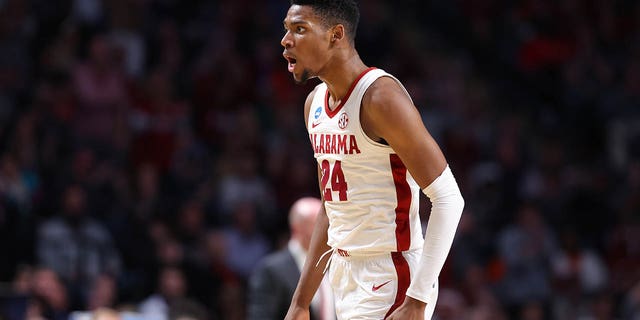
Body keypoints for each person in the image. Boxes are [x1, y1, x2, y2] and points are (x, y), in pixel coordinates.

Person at [280, 1, 465, 319]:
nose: (285, 40)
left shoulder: (380, 98)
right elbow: (331, 207)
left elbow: (449, 199)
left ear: (335, 35)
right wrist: (300, 302)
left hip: (392, 276)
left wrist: (417, 300)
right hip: (344, 274)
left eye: (299, 29)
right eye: (286, 29)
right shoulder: (314, 105)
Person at [247, 197, 335, 320]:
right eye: (319, 226)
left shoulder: (336, 262)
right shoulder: (271, 270)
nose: (328, 231)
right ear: (296, 229)